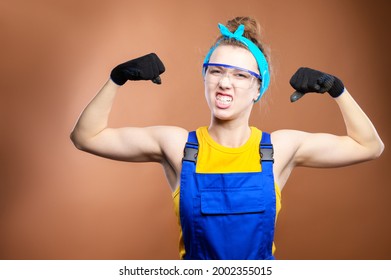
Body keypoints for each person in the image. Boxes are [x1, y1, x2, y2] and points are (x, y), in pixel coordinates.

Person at [70, 16, 384, 260]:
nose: (225, 83)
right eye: (216, 70)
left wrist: (337, 90)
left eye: (240, 74)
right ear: (204, 76)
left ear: (258, 88)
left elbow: (369, 146)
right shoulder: (177, 146)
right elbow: (86, 136)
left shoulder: (279, 149)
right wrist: (116, 79)